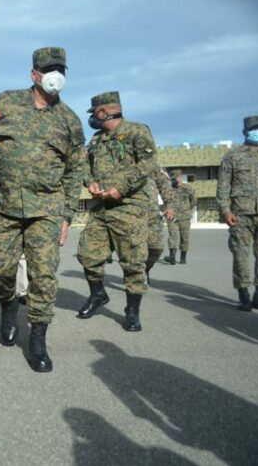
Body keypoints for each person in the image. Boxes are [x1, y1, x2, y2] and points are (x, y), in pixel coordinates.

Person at [0, 46, 86, 372]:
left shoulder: (69, 120)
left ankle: (37, 339)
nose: (55, 76)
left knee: (43, 276)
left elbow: (76, 169)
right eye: (49, 69)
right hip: (2, 204)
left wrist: (66, 214)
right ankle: (8, 306)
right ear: (34, 74)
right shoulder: (4, 102)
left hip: (46, 209)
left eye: (61, 69)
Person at [76, 91, 157, 332]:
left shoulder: (137, 131)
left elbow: (148, 164)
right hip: (100, 209)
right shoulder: (96, 140)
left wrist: (120, 189)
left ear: (102, 112)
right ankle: (98, 294)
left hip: (128, 208)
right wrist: (88, 182)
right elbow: (84, 166)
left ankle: (132, 312)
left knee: (133, 262)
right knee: (88, 255)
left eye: (94, 114)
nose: (92, 119)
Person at [216, 116, 258, 312]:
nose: (257, 131)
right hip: (240, 213)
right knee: (240, 255)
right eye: (253, 128)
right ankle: (243, 294)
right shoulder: (233, 155)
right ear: (245, 132)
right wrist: (225, 210)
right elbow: (223, 186)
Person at [145, 166, 175, 285]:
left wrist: (169, 205)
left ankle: (145, 269)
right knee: (131, 250)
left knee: (156, 247)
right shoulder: (121, 158)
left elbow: (164, 183)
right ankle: (134, 277)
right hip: (128, 213)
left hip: (151, 212)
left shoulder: (152, 161)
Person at [163, 169, 197, 265]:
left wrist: (187, 210)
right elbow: (165, 200)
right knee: (172, 236)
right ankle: (172, 257)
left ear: (180, 178)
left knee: (184, 237)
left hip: (185, 217)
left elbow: (194, 201)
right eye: (172, 179)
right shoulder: (168, 189)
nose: (174, 181)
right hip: (172, 216)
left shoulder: (188, 188)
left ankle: (183, 258)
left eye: (176, 178)